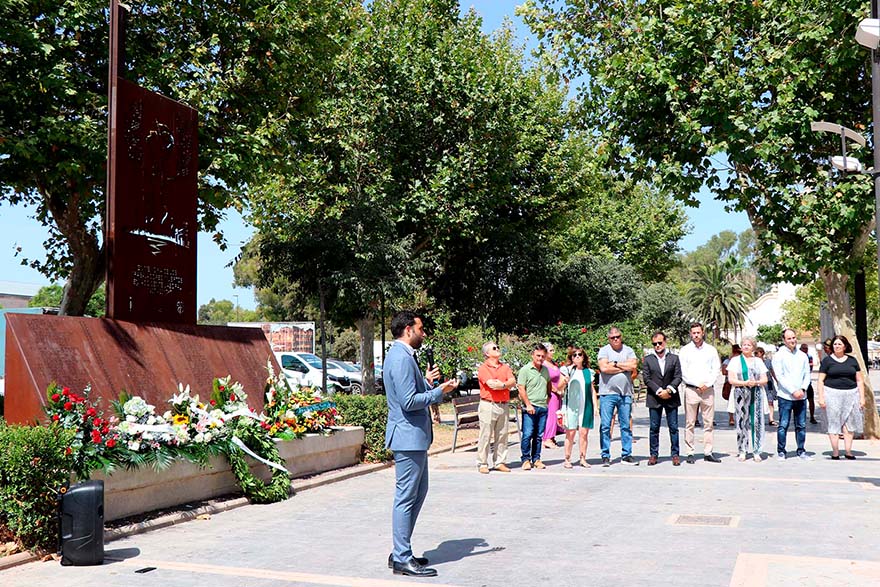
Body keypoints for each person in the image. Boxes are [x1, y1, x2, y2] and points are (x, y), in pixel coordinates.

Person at [384, 311, 459, 578]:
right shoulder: (400, 357)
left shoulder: (403, 356)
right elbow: (408, 402)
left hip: (413, 437)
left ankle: (401, 550)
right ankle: (402, 557)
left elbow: (410, 393)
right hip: (407, 437)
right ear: (408, 329)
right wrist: (439, 392)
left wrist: (427, 383)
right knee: (406, 497)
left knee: (417, 492)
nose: (423, 333)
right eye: (421, 329)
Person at [678, 322, 722, 464]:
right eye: (694, 333)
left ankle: (708, 452)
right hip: (691, 390)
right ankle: (690, 452)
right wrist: (697, 384)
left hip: (708, 391)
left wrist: (707, 384)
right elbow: (682, 371)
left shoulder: (711, 350)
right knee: (690, 422)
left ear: (703, 333)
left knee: (708, 423)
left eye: (698, 332)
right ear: (690, 334)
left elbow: (716, 369)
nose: (696, 335)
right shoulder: (685, 350)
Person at [817, 335, 865, 460]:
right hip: (832, 394)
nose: (837, 346)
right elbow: (820, 380)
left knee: (849, 424)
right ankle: (835, 452)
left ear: (845, 346)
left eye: (839, 344)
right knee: (833, 423)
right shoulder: (827, 361)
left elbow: (859, 380)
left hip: (851, 394)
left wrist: (862, 398)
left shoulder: (852, 361)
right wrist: (821, 397)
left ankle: (848, 451)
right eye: (835, 344)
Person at [597, 327, 639, 466]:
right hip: (607, 393)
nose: (616, 339)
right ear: (608, 339)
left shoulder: (628, 350)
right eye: (612, 337)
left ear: (621, 336)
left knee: (625, 425)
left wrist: (614, 364)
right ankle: (605, 455)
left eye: (618, 336)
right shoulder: (604, 350)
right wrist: (623, 367)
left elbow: (633, 366)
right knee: (605, 425)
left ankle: (626, 454)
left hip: (625, 393)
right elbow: (604, 368)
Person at [641, 331, 682, 466]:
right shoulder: (648, 359)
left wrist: (669, 390)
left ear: (665, 342)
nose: (657, 346)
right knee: (654, 428)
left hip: (671, 397)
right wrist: (659, 391)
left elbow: (678, 376)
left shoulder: (674, 358)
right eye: (654, 344)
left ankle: (675, 454)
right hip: (655, 397)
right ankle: (653, 454)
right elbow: (646, 378)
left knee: (673, 427)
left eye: (660, 342)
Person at [772, 328, 813, 461]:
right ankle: (781, 451)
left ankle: (801, 451)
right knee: (783, 425)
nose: (792, 340)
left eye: (794, 337)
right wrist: (793, 391)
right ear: (784, 340)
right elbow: (780, 376)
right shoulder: (778, 356)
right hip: (785, 397)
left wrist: (803, 389)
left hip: (801, 396)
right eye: (789, 338)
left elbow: (807, 374)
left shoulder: (802, 355)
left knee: (801, 425)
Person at [476, 342, 516, 474]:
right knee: (485, 435)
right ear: (487, 353)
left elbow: (513, 381)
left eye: (498, 347)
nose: (497, 349)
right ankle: (482, 463)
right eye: (494, 348)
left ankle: (500, 462)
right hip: (488, 404)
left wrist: (503, 385)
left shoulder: (505, 367)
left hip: (503, 404)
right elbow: (491, 384)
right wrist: (506, 384)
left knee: (502, 435)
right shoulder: (483, 368)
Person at [726, 337, 768, 462]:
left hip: (756, 393)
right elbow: (731, 379)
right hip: (740, 393)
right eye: (744, 344)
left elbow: (765, 379)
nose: (746, 347)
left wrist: (756, 382)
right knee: (741, 421)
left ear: (753, 347)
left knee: (757, 421)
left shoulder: (758, 361)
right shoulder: (735, 360)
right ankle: (742, 450)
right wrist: (744, 382)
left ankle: (757, 450)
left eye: (749, 345)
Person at [559, 347, 598, 468]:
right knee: (570, 433)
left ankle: (583, 458)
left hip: (585, 405)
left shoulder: (588, 372)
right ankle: (567, 458)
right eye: (574, 355)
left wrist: (596, 406)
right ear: (571, 358)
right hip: (571, 406)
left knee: (583, 433)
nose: (577, 357)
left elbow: (592, 390)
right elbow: (559, 388)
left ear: (583, 357)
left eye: (579, 354)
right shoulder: (567, 370)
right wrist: (564, 381)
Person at [517, 344, 552, 470]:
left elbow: (548, 383)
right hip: (530, 407)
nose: (540, 358)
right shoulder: (525, 370)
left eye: (543, 356)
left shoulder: (545, 370)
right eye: (538, 355)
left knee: (539, 436)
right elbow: (521, 388)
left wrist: (548, 397)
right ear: (532, 355)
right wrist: (528, 404)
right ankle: (525, 459)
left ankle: (536, 459)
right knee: (527, 434)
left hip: (542, 407)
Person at [541, 342, 565, 449]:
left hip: (558, 392)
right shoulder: (543, 365)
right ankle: (547, 438)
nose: (553, 352)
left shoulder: (553, 363)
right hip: (550, 392)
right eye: (551, 350)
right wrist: (555, 390)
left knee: (556, 415)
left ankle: (552, 437)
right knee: (551, 415)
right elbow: (545, 380)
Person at [756, 347, 778, 426]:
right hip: (759, 384)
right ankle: (758, 418)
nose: (755, 355)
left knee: (770, 401)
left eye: (757, 353)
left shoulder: (768, 362)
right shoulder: (754, 362)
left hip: (768, 383)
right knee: (758, 401)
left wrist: (777, 380)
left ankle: (771, 419)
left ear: (761, 353)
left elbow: (772, 371)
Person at [722, 344, 742, 427]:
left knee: (741, 400)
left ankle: (737, 418)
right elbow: (724, 372)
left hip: (741, 382)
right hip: (730, 382)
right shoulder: (728, 361)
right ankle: (731, 418)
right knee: (731, 401)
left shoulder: (743, 360)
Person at [800, 343, 818, 424]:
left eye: (806, 348)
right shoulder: (797, 356)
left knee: (811, 399)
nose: (805, 350)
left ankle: (812, 416)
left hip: (808, 382)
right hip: (799, 382)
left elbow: (811, 366)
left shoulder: (809, 356)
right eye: (803, 348)